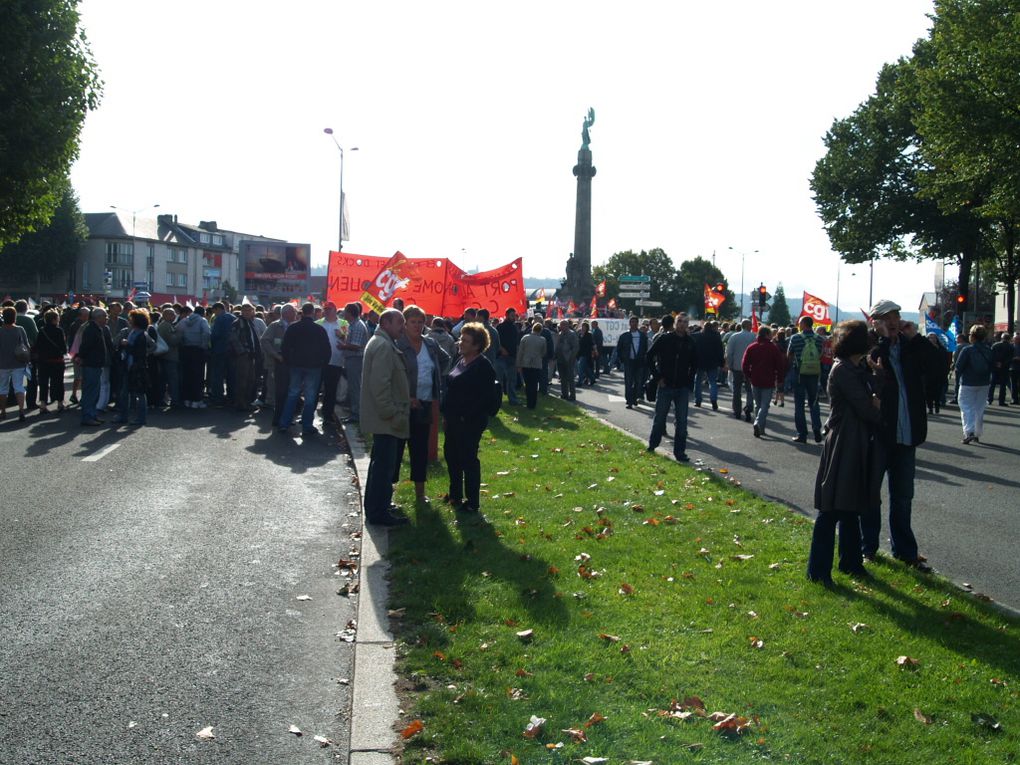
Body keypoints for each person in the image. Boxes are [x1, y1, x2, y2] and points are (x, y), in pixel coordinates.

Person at [859, 299, 939, 571]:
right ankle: (868, 547)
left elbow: (938, 368)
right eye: (885, 317)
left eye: (895, 315)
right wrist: (882, 340)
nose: (893, 321)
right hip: (879, 434)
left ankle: (905, 552)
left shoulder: (910, 346)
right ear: (874, 322)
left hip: (907, 434)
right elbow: (870, 375)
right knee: (872, 495)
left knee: (903, 497)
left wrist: (916, 339)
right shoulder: (867, 347)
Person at [807, 320, 882, 585]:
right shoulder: (843, 371)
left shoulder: (855, 367)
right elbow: (867, 409)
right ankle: (818, 571)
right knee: (832, 509)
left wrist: (876, 378)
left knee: (851, 507)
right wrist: (876, 401)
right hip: (844, 442)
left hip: (855, 440)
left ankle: (851, 563)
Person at [361, 309, 412, 526]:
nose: (403, 327)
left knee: (380, 464)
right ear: (386, 323)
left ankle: (377, 507)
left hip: (385, 417)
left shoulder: (382, 342)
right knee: (383, 467)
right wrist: (390, 412)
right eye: (400, 323)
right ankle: (378, 512)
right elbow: (380, 384)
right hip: (386, 418)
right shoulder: (382, 345)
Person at [442, 322, 498, 513]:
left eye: (465, 341)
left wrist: (466, 417)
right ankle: (455, 495)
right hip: (453, 420)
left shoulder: (483, 366)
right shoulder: (461, 360)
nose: (460, 343)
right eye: (461, 339)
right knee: (452, 456)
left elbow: (485, 398)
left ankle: (472, 502)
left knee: (468, 459)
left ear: (476, 345)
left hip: (469, 422)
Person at [394, 305, 449, 503]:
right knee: (397, 449)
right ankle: (389, 491)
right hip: (402, 404)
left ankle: (419, 493)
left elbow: (445, 360)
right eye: (413, 322)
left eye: (420, 322)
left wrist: (436, 381)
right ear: (405, 324)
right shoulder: (398, 344)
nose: (417, 326)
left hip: (425, 403)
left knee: (419, 450)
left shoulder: (431, 344)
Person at [645, 314, 698, 462]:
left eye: (685, 322)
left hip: (682, 387)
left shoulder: (690, 342)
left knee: (682, 421)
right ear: (675, 324)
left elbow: (695, 364)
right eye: (679, 321)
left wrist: (689, 381)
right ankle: (652, 444)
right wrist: (657, 377)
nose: (682, 324)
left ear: (688, 324)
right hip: (665, 384)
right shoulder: (665, 339)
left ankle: (680, 452)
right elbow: (649, 356)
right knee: (660, 417)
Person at [278, 303, 332, 436]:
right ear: (313, 313)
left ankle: (284, 423)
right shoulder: (319, 329)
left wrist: (288, 361)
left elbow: (284, 347)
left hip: (296, 365)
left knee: (292, 394)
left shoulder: (293, 328)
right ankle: (307, 425)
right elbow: (327, 349)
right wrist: (323, 363)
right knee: (310, 396)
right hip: (314, 366)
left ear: (302, 312)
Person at [741, 326, 786, 438]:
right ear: (766, 334)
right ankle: (758, 424)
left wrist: (749, 375)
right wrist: (780, 380)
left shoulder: (752, 347)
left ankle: (760, 428)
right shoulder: (773, 348)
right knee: (765, 405)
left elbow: (744, 364)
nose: (772, 335)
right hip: (768, 379)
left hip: (755, 379)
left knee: (758, 404)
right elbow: (780, 366)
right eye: (770, 333)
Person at [787, 316, 826, 443]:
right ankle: (816, 428)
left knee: (799, 404)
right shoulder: (820, 339)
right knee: (814, 402)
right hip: (814, 373)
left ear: (803, 324)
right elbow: (821, 354)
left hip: (799, 373)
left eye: (799, 323)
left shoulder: (795, 338)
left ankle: (802, 434)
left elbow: (789, 355)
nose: (798, 325)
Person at [113, 309, 155, 426]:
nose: (130, 321)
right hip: (131, 365)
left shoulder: (140, 335)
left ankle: (140, 418)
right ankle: (124, 416)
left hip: (136, 366)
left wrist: (127, 345)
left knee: (139, 393)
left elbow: (139, 352)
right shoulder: (136, 333)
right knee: (125, 392)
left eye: (132, 319)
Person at [954, 324, 994, 444]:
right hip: (984, 382)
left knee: (966, 407)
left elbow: (958, 367)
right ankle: (977, 433)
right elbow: (992, 366)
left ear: (972, 336)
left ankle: (969, 432)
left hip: (968, 382)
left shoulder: (967, 350)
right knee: (979, 408)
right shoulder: (989, 350)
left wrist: (957, 380)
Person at [75, 308, 114, 426]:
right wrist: (81, 357)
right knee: (90, 392)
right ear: (98, 317)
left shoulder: (97, 328)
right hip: (91, 364)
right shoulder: (91, 329)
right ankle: (87, 416)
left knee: (94, 391)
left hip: (96, 364)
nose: (107, 318)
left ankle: (92, 415)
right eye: (105, 316)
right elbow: (85, 347)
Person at [261, 303, 296, 426]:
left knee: (288, 392)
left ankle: (286, 417)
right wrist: (275, 355)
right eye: (294, 312)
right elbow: (264, 341)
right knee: (277, 391)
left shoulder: (294, 326)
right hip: (275, 364)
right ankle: (278, 417)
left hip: (290, 365)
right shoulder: (275, 325)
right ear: (287, 313)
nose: (296, 314)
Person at [316, 301, 347, 423]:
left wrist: (342, 336)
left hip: (336, 361)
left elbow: (347, 339)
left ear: (335, 310)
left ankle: (327, 415)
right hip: (319, 361)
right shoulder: (318, 323)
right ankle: (308, 415)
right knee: (315, 388)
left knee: (331, 390)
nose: (327, 311)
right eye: (325, 309)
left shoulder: (343, 323)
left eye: (329, 309)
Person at [230, 302, 263, 413]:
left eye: (249, 310)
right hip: (243, 356)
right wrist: (242, 352)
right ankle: (240, 403)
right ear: (242, 311)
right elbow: (233, 339)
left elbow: (255, 339)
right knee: (242, 380)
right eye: (245, 310)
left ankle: (247, 402)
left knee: (251, 380)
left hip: (251, 355)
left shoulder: (250, 322)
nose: (248, 312)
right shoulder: (238, 323)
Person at [33, 309, 68, 414]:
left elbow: (37, 346)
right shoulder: (59, 331)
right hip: (57, 360)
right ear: (54, 319)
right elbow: (63, 347)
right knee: (58, 382)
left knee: (43, 382)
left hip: (43, 361)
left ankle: (43, 404)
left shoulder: (42, 331)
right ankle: (60, 403)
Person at [339, 302, 368, 424]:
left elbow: (356, 346)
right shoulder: (352, 324)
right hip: (351, 359)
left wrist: (343, 346)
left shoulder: (357, 326)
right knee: (352, 386)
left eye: (345, 311)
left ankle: (356, 414)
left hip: (355, 359)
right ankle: (353, 412)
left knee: (355, 387)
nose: (343, 313)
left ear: (350, 313)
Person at [0, 307, 31, 422]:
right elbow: (26, 345)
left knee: (2, 388)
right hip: (18, 362)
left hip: (2, 363)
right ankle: (21, 411)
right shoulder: (20, 329)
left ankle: (3, 411)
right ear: (14, 317)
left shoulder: (0, 331)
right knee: (19, 386)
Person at [178, 305, 210, 409]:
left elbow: (178, 332)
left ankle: (187, 399)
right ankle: (197, 400)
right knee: (198, 375)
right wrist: (203, 346)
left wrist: (183, 343)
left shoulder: (184, 321)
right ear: (203, 312)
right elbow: (206, 333)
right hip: (198, 350)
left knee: (187, 375)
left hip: (186, 350)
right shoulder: (202, 321)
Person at [725, 319, 756, 422]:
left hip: (737, 367)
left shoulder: (734, 337)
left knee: (737, 389)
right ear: (748, 326)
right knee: (749, 389)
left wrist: (729, 364)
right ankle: (749, 407)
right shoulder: (753, 337)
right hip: (750, 367)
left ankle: (737, 410)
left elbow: (729, 353)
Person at [616, 316, 648, 408]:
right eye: (632, 322)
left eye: (635, 322)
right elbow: (619, 348)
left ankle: (634, 398)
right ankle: (629, 400)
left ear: (637, 324)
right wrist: (621, 359)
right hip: (628, 361)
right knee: (629, 381)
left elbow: (645, 349)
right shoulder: (624, 336)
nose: (633, 324)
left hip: (639, 362)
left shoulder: (642, 336)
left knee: (638, 382)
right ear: (629, 323)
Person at [693, 320, 724, 410]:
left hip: (700, 362)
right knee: (713, 382)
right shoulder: (716, 336)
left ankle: (698, 400)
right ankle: (713, 401)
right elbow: (720, 350)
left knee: (698, 381)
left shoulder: (699, 336)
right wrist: (721, 362)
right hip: (712, 362)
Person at [517, 322, 547, 409]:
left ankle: (528, 402)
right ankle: (533, 403)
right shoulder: (543, 340)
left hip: (526, 364)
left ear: (532, 329)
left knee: (528, 384)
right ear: (541, 330)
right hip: (537, 364)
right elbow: (544, 352)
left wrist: (518, 364)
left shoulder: (525, 338)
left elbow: (520, 352)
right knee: (534, 384)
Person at [495, 307, 521, 405]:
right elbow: (496, 341)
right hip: (501, 357)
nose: (514, 317)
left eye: (514, 316)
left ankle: (513, 400)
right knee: (499, 380)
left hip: (512, 357)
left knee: (512, 380)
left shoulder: (514, 327)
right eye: (512, 316)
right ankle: (498, 400)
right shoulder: (500, 327)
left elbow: (516, 342)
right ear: (506, 315)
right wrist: (502, 349)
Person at [156, 308, 181, 407]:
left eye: (174, 314)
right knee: (172, 380)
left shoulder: (166, 325)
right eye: (171, 314)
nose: (174, 316)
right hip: (169, 356)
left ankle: (164, 399)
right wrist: (179, 334)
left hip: (166, 356)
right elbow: (172, 341)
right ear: (165, 315)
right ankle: (174, 401)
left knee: (165, 380)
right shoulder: (166, 326)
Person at [556, 319, 579, 401]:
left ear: (567, 325)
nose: (561, 327)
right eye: (560, 325)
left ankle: (572, 395)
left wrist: (571, 358)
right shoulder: (560, 334)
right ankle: (564, 394)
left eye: (562, 325)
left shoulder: (572, 334)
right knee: (563, 378)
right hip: (560, 359)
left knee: (570, 378)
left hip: (569, 360)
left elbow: (575, 348)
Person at [989, 331, 1013, 406]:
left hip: (995, 367)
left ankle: (989, 399)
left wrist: (996, 363)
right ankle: (1001, 401)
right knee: (1003, 385)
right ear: (1009, 339)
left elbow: (991, 356)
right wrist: (1003, 364)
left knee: (992, 384)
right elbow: (1010, 358)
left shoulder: (995, 345)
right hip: (1004, 368)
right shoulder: (1010, 347)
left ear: (1001, 338)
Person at [576, 322, 596, 387]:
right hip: (580, 353)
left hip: (586, 353)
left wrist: (595, 351)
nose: (583, 328)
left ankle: (580, 382)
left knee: (580, 368)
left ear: (587, 327)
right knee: (587, 368)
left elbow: (592, 344)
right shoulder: (580, 334)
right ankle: (592, 379)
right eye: (582, 326)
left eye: (584, 327)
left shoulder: (589, 335)